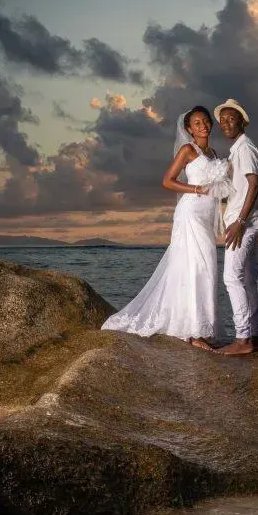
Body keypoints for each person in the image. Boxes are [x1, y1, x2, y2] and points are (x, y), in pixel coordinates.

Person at [100, 106, 232, 350]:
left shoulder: (214, 153)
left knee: (207, 269)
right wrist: (196, 189)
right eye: (196, 123)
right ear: (189, 129)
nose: (202, 125)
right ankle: (194, 334)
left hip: (207, 214)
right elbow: (167, 181)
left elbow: (218, 188)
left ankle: (200, 326)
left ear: (210, 125)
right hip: (191, 213)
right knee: (196, 268)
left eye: (205, 121)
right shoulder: (187, 150)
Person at [213, 98, 258, 356]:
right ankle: (256, 336)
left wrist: (240, 222)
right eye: (222, 120)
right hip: (249, 221)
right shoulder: (239, 149)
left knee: (231, 278)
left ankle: (243, 338)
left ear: (242, 121)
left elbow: (254, 184)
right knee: (249, 278)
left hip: (244, 223)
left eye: (231, 118)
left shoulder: (245, 149)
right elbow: (242, 188)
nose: (225, 123)